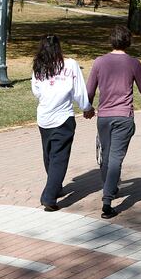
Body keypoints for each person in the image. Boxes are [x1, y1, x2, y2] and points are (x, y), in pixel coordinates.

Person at [84, 25, 141, 219]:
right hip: (123, 116)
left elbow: (89, 90)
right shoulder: (133, 63)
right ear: (128, 41)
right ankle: (107, 201)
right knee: (115, 158)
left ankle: (110, 188)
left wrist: (87, 108)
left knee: (107, 157)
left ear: (111, 40)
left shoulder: (99, 62)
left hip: (104, 116)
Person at [31, 34, 94, 212]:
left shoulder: (38, 66)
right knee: (59, 158)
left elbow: (36, 91)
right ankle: (49, 197)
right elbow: (79, 91)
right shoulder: (71, 64)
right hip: (63, 118)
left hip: (44, 117)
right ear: (59, 48)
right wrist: (87, 108)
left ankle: (55, 185)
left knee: (49, 154)